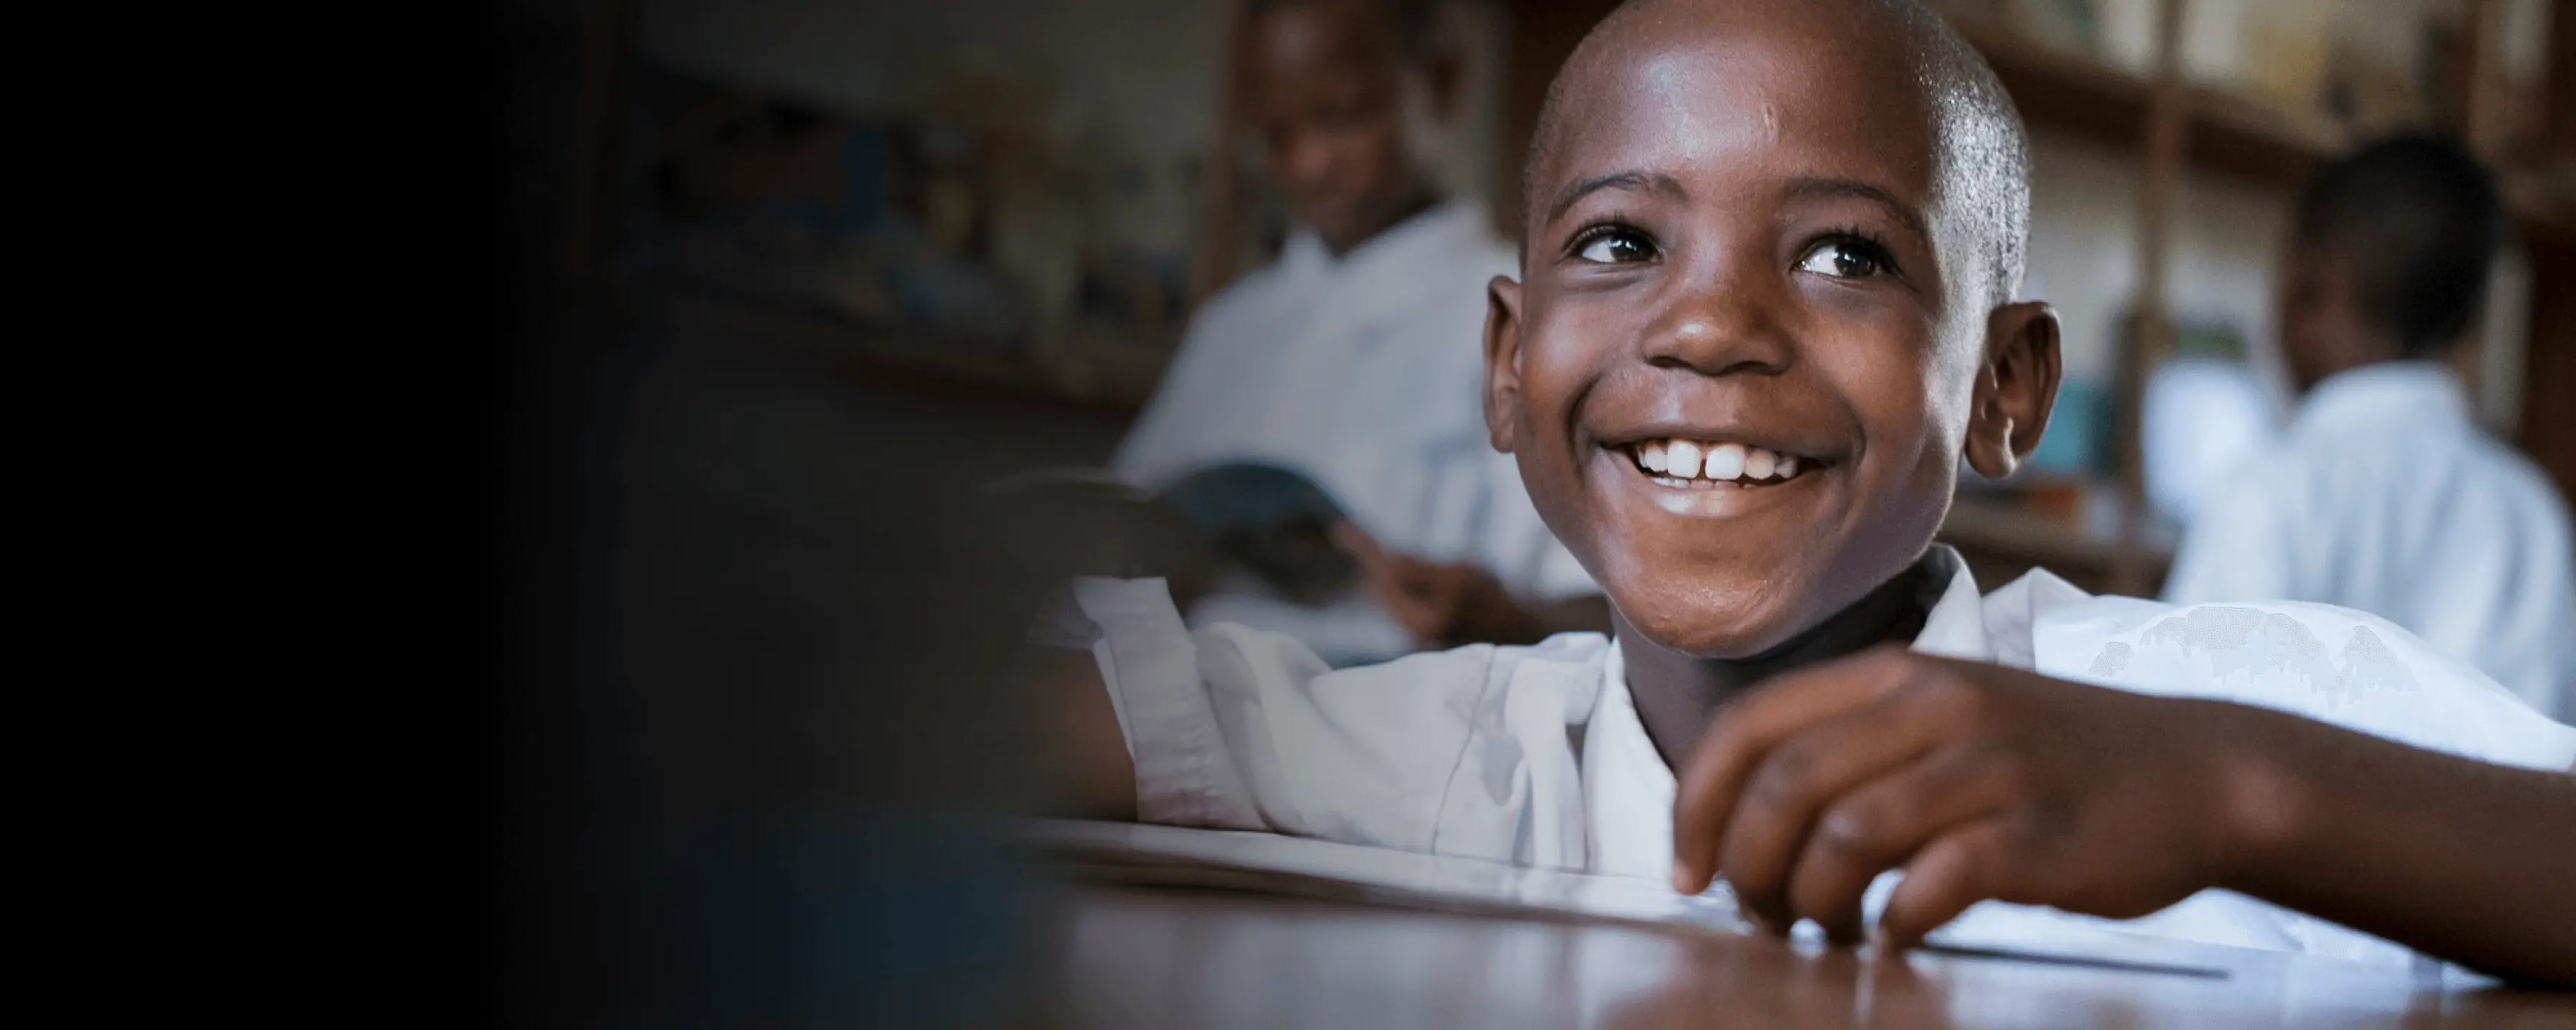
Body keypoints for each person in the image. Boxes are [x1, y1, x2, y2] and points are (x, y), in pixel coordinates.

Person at [1040, 0, 2576, 987]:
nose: (1708, 327)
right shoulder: (1457, 747)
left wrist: (2240, 797)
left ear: (2005, 386)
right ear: (1510, 365)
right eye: (1622, 243)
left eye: (1847, 254)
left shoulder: (2207, 708)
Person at [1108, 0, 1606, 664]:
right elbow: (1119, 534)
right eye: (1278, 135)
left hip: (1402, 720)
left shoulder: (1523, 313)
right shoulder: (1230, 328)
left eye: (1344, 117)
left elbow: (1607, 614)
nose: (1310, 164)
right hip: (1187, 714)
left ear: (1438, 81)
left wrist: (1500, 617)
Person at [2162, 134, 2576, 722]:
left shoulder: (2271, 490)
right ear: (2468, 328)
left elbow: (2181, 725)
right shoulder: (2530, 514)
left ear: (2306, 285)